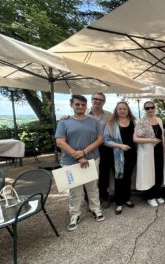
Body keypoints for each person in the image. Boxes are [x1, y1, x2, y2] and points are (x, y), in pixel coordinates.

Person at [55, 95, 105, 232]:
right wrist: (77, 156)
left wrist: (84, 152)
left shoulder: (94, 122)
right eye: (77, 104)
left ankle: (96, 209)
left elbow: (100, 138)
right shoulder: (64, 122)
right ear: (72, 105)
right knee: (74, 191)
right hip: (70, 162)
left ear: (86, 105)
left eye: (83, 105)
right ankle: (74, 215)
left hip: (92, 159)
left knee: (93, 187)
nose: (81, 107)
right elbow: (60, 142)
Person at [104, 102, 137, 215]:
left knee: (128, 177)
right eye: (120, 109)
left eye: (124, 109)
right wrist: (120, 146)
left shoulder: (133, 123)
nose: (122, 111)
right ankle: (119, 203)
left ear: (128, 110)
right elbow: (106, 141)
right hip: (116, 155)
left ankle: (126, 198)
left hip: (131, 155)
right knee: (118, 178)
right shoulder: (111, 123)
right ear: (116, 110)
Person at [134, 101, 165, 207]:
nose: (150, 110)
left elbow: (161, 137)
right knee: (149, 174)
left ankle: (157, 194)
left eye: (152, 107)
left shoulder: (159, 120)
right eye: (147, 108)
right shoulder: (141, 122)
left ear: (155, 108)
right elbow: (135, 139)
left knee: (158, 173)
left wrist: (164, 149)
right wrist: (150, 140)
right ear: (145, 109)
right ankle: (150, 197)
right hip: (147, 152)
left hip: (158, 151)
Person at [87, 92, 114, 209]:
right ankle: (89, 200)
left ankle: (103, 196)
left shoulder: (109, 115)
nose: (98, 101)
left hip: (104, 148)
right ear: (91, 99)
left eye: (101, 100)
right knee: (89, 174)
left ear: (104, 102)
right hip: (88, 147)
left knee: (104, 173)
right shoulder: (84, 113)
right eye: (95, 99)